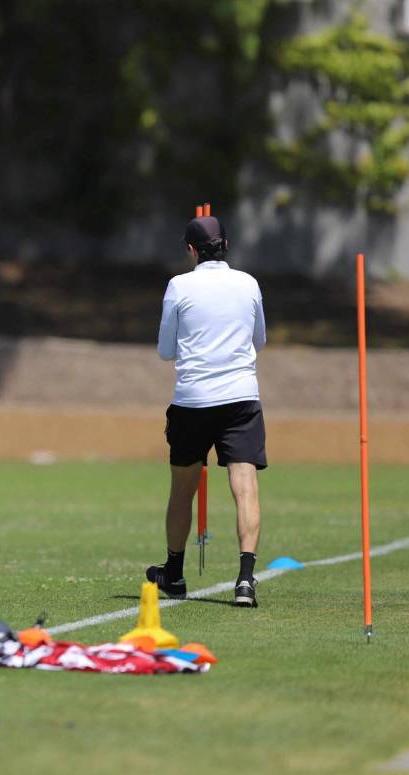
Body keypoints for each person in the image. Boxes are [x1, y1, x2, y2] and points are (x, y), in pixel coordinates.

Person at [150, 214, 267, 607]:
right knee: (245, 487)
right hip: (240, 398)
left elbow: (166, 350)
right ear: (226, 246)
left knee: (183, 490)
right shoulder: (248, 283)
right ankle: (246, 581)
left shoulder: (179, 286)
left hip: (193, 400)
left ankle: (175, 574)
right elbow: (260, 339)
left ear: (190, 250)